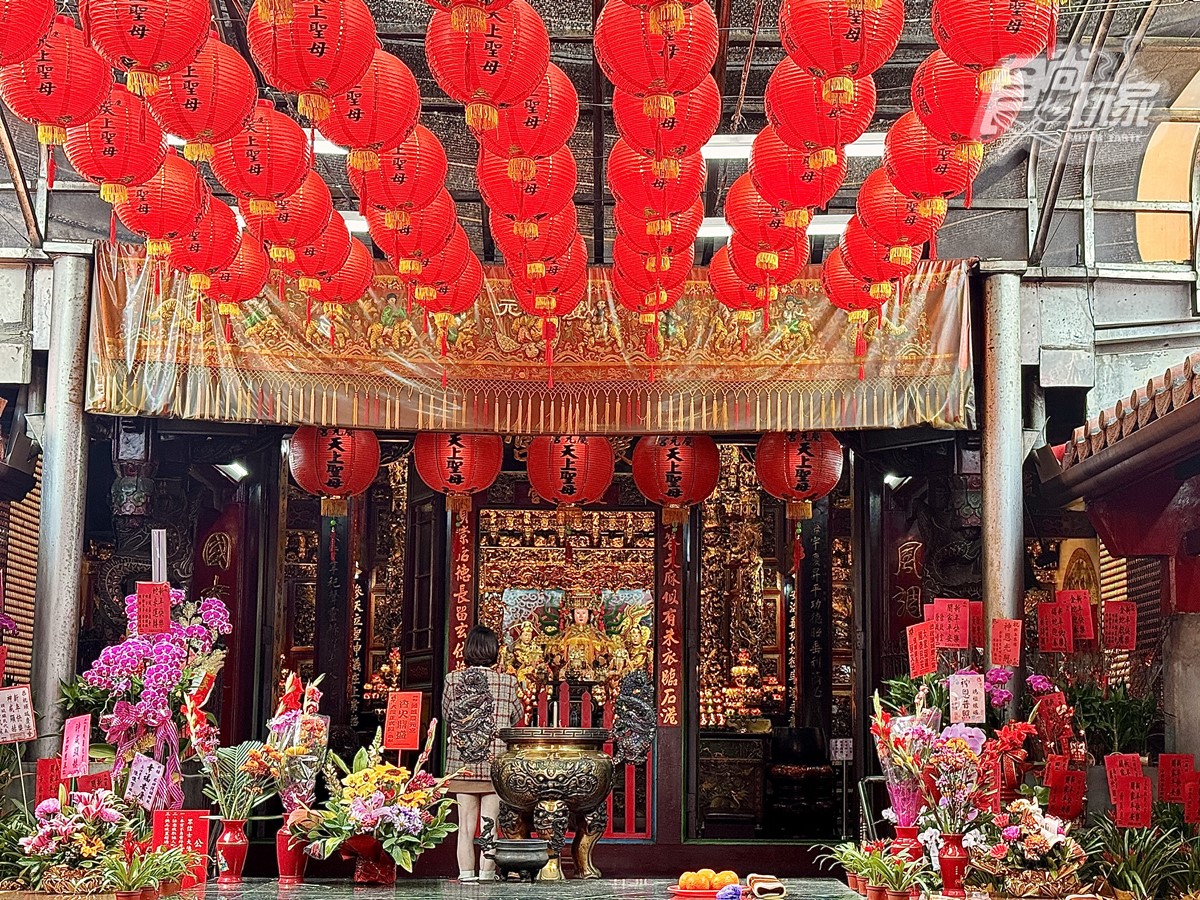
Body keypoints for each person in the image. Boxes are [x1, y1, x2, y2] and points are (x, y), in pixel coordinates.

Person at [442, 624, 521, 882]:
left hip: (463, 761)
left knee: (465, 824)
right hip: (494, 763)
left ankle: (466, 874)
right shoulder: (508, 682)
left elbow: (446, 715)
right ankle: (487, 875)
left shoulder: (453, 679)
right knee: (491, 824)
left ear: (468, 650)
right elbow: (516, 716)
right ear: (494, 652)